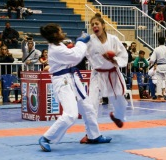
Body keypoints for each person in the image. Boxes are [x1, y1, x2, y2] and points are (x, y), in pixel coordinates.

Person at [38, 23, 112, 152]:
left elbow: (71, 58)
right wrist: (81, 42)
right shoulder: (56, 49)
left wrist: (74, 47)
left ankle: (94, 136)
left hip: (72, 79)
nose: (63, 32)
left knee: (88, 108)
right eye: (60, 31)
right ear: (55, 34)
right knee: (71, 114)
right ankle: (46, 138)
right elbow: (76, 56)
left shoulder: (59, 45)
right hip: (63, 82)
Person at [85, 13, 128, 130]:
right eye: (92, 24)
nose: (94, 26)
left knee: (121, 101)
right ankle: (91, 133)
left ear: (103, 25)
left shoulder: (113, 39)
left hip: (112, 73)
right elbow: (79, 54)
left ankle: (117, 116)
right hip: (97, 75)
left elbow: (124, 56)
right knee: (92, 103)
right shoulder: (89, 41)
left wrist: (113, 59)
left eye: (96, 24)